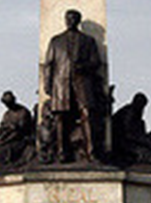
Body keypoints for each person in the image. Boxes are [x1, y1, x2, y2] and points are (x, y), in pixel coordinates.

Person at [41, 9, 107, 163]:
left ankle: (91, 152)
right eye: (68, 18)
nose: (70, 21)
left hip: (82, 83)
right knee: (61, 118)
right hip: (61, 84)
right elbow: (49, 64)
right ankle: (61, 152)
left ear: (78, 21)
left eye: (73, 18)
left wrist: (84, 67)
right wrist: (47, 83)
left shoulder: (88, 40)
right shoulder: (56, 41)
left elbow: (95, 61)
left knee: (87, 115)